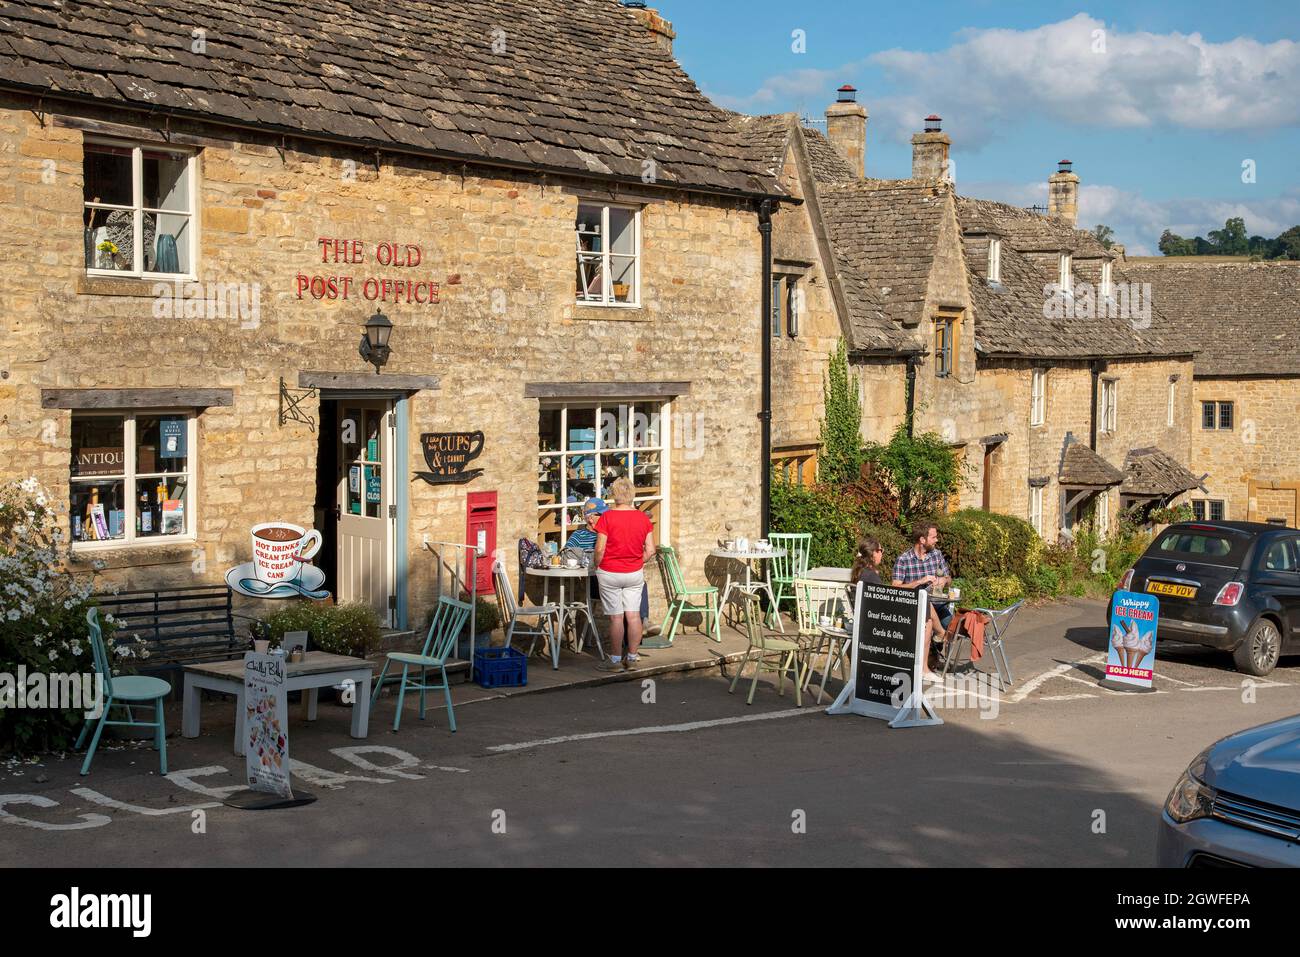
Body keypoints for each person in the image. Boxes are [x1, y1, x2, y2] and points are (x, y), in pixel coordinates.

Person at [593, 479, 655, 671]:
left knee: (617, 618)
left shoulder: (607, 518)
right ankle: (633, 657)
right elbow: (651, 550)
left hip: (610, 571)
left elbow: (600, 548)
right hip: (634, 572)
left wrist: (597, 565)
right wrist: (639, 560)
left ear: (614, 495)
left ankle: (615, 661)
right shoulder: (643, 519)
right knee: (634, 616)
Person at [892, 521, 954, 682]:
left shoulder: (937, 555)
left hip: (937, 604)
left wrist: (943, 581)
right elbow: (896, 587)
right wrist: (920, 582)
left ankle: (934, 655)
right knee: (924, 600)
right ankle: (940, 637)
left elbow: (949, 578)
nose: (936, 540)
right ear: (922, 539)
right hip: (913, 607)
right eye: (933, 537)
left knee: (954, 626)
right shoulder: (904, 559)